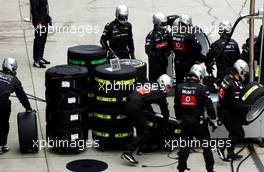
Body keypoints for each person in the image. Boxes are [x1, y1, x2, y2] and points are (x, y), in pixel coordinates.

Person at [121, 74, 173, 165]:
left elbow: (146, 98)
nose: (169, 90)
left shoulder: (149, 84)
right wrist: (166, 121)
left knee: (141, 126)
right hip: (135, 107)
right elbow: (164, 110)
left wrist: (151, 112)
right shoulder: (160, 94)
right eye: (168, 87)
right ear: (163, 83)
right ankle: (128, 152)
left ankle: (141, 147)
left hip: (128, 103)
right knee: (145, 132)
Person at [174, 64, 217, 172]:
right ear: (200, 75)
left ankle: (181, 169)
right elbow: (209, 106)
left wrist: (178, 118)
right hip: (199, 125)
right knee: (207, 148)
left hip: (185, 124)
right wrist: (213, 119)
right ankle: (210, 170)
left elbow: (176, 106)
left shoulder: (179, 87)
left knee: (184, 148)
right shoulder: (202, 88)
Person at [217, 59, 250, 161]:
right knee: (239, 133)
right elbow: (235, 104)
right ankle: (221, 147)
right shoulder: (234, 85)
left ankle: (230, 153)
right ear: (240, 71)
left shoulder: (226, 78)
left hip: (223, 109)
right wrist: (247, 107)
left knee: (233, 132)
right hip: (227, 112)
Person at [0, 58, 33, 154]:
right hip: (2, 104)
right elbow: (22, 97)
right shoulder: (14, 80)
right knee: (3, 124)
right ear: (12, 68)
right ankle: (1, 146)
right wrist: (28, 108)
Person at [171, 14, 204, 83]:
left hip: (177, 62)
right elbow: (199, 48)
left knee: (179, 81)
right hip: (188, 64)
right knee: (188, 82)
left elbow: (171, 48)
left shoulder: (173, 35)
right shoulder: (190, 36)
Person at [145, 12, 171, 83]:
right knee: (154, 81)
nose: (165, 25)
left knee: (164, 80)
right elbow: (148, 50)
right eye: (163, 24)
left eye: (165, 23)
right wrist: (157, 57)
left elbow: (169, 45)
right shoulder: (151, 36)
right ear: (156, 23)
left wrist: (166, 53)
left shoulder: (166, 33)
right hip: (155, 64)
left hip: (164, 61)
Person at [30, 0, 52, 68]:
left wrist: (48, 18)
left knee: (43, 39)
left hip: (44, 18)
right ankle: (36, 61)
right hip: (39, 21)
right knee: (39, 40)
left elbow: (45, 7)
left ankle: (40, 57)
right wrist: (37, 22)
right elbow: (34, 10)